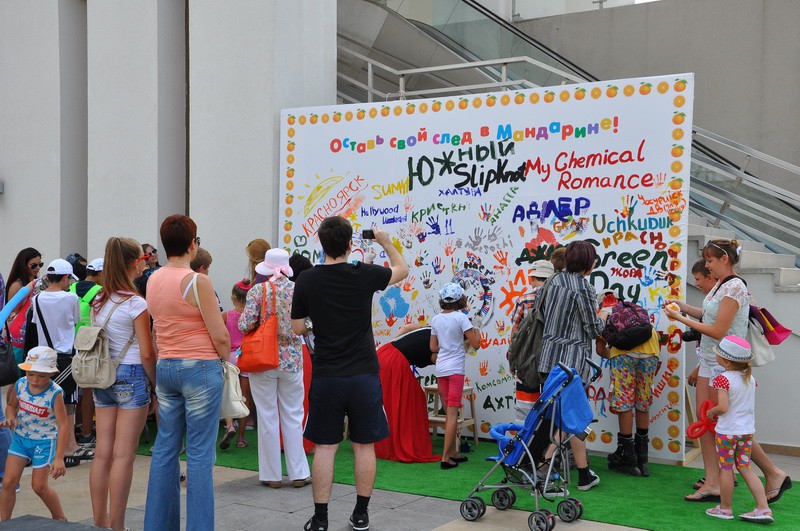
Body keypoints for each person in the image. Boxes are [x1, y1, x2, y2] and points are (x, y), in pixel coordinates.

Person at [291, 217, 407, 531]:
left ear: (320, 242)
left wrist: (317, 323)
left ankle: (320, 518)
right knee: (364, 446)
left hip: (327, 373)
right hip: (363, 373)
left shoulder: (307, 280)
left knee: (325, 447)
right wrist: (385, 242)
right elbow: (402, 270)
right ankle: (361, 514)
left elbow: (298, 327)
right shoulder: (363, 273)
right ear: (349, 244)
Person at [665, 239, 791, 504]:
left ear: (724, 259)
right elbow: (710, 316)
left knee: (727, 426)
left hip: (724, 364)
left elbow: (718, 330)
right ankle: (713, 482)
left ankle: (772, 473)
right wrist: (684, 308)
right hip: (710, 361)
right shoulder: (723, 285)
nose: (707, 266)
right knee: (709, 424)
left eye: (710, 260)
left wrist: (680, 318)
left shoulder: (734, 286)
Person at [144, 214, 230, 531]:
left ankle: (157, 526)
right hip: (200, 368)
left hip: (166, 366)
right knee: (199, 454)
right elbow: (220, 336)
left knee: (165, 449)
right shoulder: (197, 281)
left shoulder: (152, 279)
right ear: (192, 244)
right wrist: (226, 360)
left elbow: (155, 329)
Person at [88, 238, 156, 531]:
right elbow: (147, 352)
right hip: (132, 374)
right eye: (142, 259)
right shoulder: (136, 303)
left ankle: (99, 522)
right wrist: (155, 384)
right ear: (133, 264)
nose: (145, 262)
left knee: (103, 452)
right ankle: (117, 525)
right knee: (124, 455)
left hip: (103, 375)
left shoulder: (98, 300)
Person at [538, 240, 609, 491]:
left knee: (568, 416)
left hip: (549, 358)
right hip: (571, 363)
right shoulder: (584, 288)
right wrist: (604, 315)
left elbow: (543, 314)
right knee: (574, 415)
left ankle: (583, 473)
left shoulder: (552, 281)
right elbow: (593, 329)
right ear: (589, 262)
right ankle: (544, 465)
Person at [239, 249, 310, 488]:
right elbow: (308, 323)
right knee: (293, 415)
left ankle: (271, 476)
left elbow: (245, 324)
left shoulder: (258, 290)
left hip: (262, 360)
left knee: (267, 416)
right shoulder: (298, 290)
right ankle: (298, 473)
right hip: (292, 360)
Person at [704, 336, 773, 523]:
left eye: (718, 353)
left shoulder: (723, 380)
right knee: (745, 468)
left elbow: (723, 407)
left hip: (727, 432)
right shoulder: (750, 379)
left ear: (726, 361)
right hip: (746, 431)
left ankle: (725, 509)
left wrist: (712, 411)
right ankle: (763, 508)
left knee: (726, 469)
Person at [31, 259, 89, 467]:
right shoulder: (71, 298)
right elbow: (75, 321)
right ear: (65, 277)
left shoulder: (37, 298)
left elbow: (36, 323)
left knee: (48, 401)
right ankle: (69, 446)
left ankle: (58, 444)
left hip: (43, 357)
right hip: (65, 356)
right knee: (68, 402)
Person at [0, 347, 68, 522]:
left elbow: (63, 425)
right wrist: (10, 418)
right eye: (30, 374)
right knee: (8, 483)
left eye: (41, 376)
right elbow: (11, 405)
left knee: (39, 487)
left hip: (44, 442)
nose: (35, 380)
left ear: (52, 373)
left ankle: (60, 518)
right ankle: (4, 523)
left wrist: (59, 458)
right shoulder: (20, 384)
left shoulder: (55, 393)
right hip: (20, 439)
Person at [597, 322, 661, 477]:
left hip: (623, 355)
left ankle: (628, 457)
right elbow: (658, 337)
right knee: (643, 402)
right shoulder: (639, 315)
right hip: (651, 352)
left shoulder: (608, 317)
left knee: (624, 402)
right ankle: (642, 460)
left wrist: (616, 355)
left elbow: (600, 349)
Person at [430, 283, 481, 470]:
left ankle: (453, 452)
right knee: (452, 414)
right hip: (455, 370)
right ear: (460, 299)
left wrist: (447, 343)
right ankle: (446, 458)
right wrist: (476, 329)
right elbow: (476, 344)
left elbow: (433, 347)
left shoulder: (436, 319)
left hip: (441, 369)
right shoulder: (461, 318)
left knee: (448, 413)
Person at [374, 323, 440, 463]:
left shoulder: (430, 327)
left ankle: (386, 441)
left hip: (384, 352)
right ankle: (404, 442)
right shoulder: (441, 346)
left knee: (389, 400)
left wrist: (393, 344)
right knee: (409, 400)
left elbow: (405, 328)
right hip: (395, 362)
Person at [509, 260, 554, 424]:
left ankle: (526, 434)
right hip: (551, 356)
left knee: (526, 400)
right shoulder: (557, 300)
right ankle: (547, 435)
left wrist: (512, 356)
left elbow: (515, 330)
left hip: (527, 356)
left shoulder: (525, 299)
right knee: (550, 398)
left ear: (533, 278)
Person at [70, 257, 104, 447]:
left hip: (71, 343)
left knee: (76, 391)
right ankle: (87, 432)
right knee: (88, 389)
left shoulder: (71, 287)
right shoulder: (100, 291)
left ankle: (77, 426)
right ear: (100, 273)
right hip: (89, 343)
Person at [220, 278, 251, 450]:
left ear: (233, 298)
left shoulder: (226, 316)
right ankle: (241, 438)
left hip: (229, 357)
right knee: (244, 397)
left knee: (228, 393)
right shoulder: (252, 317)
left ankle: (230, 425)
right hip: (246, 357)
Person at [5, 247, 43, 364]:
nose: (38, 268)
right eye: (33, 265)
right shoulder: (17, 285)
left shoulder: (38, 282)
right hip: (18, 336)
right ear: (24, 265)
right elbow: (12, 312)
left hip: (33, 330)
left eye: (40, 264)